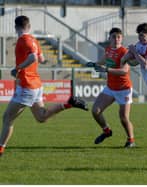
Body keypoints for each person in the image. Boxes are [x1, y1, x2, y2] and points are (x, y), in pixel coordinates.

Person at [0, 15, 88, 156]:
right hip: (36, 85)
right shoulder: (34, 40)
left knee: (7, 119)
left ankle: (0, 148)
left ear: (16, 27)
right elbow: (41, 58)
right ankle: (68, 104)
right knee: (41, 117)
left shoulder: (23, 40)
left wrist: (18, 68)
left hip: (27, 85)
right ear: (29, 27)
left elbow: (34, 57)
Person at [86, 27, 136, 148]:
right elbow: (103, 61)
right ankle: (107, 131)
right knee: (95, 111)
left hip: (124, 89)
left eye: (119, 37)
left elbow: (124, 71)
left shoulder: (125, 52)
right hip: (110, 88)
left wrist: (107, 70)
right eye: (114, 36)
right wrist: (94, 64)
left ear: (122, 39)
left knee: (123, 118)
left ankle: (131, 140)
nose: (116, 39)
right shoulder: (108, 50)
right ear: (109, 38)